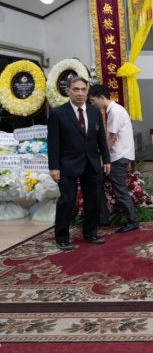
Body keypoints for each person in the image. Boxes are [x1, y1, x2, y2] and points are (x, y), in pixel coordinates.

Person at [47, 76, 111, 250]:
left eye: (83, 89)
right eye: (76, 89)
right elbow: (53, 143)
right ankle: (62, 237)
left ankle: (91, 233)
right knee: (67, 201)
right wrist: (54, 167)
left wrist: (106, 159)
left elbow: (101, 138)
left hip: (91, 163)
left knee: (93, 200)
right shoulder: (58, 113)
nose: (80, 93)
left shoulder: (94, 111)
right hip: (67, 164)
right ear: (68, 90)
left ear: (88, 90)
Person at [89, 85, 139, 233]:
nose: (93, 104)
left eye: (93, 101)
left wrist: (102, 156)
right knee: (98, 182)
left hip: (119, 156)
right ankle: (103, 218)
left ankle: (132, 221)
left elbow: (111, 137)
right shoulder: (114, 110)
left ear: (101, 97)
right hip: (120, 155)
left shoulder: (115, 111)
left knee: (120, 191)